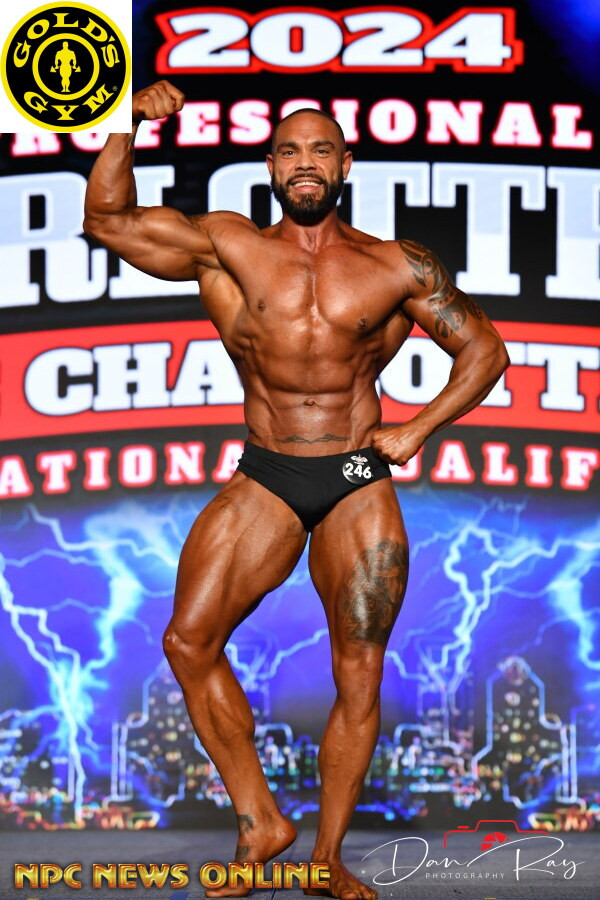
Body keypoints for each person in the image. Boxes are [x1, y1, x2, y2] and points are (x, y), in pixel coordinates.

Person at [83, 80, 509, 899]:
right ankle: (262, 823)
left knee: (359, 670)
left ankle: (326, 858)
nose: (304, 162)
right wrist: (123, 123)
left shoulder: (397, 264)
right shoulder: (228, 246)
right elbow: (109, 221)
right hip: (268, 471)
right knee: (188, 642)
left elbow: (485, 351)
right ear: (270, 167)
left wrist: (418, 429)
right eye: (288, 150)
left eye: (320, 150)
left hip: (354, 476)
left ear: (346, 164)